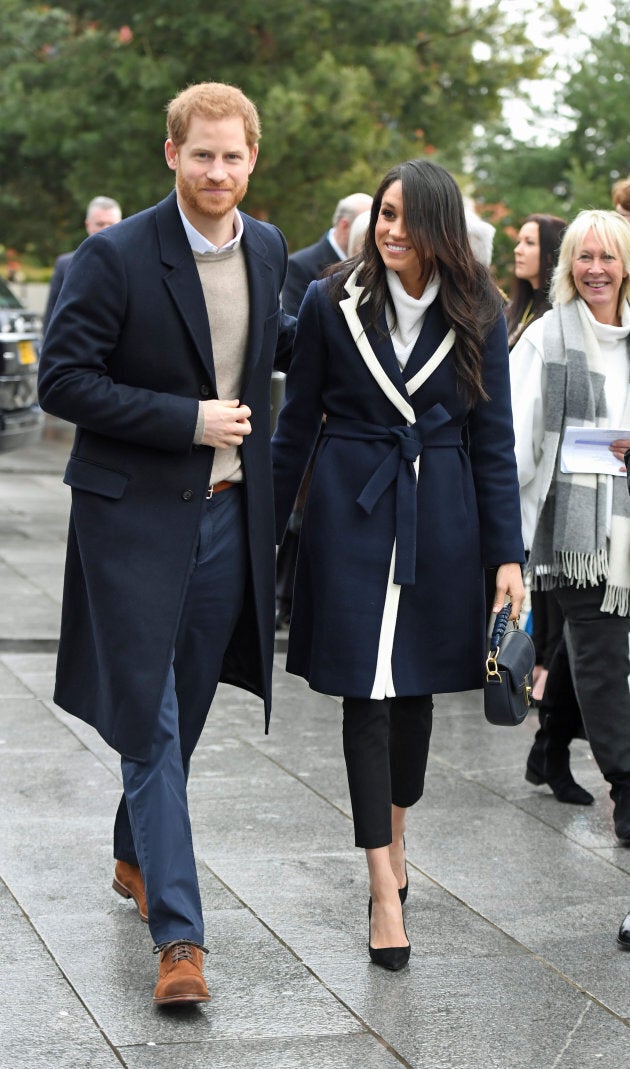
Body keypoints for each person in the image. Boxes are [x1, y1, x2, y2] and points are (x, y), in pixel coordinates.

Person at [37, 81, 294, 1007]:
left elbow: (281, 344)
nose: (216, 171)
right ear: (171, 154)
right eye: (201, 155)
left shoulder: (266, 249)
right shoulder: (111, 257)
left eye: (232, 156)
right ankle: (179, 938)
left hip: (229, 517)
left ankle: (129, 852)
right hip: (131, 521)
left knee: (180, 706)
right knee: (149, 723)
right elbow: (61, 381)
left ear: (251, 159)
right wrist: (184, 419)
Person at [272, 158, 525, 971]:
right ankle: (383, 888)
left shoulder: (480, 309)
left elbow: (495, 444)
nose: (389, 230)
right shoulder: (327, 301)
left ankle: (397, 832)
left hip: (440, 519)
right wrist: (264, 526)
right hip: (351, 514)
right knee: (365, 696)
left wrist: (506, 557)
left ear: (439, 228)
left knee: (411, 699)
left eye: (406, 218)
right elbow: (294, 424)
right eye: (383, 214)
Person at [510, 209, 630, 840]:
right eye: (583, 257)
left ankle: (549, 748)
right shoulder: (545, 340)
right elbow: (517, 446)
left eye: (608, 256)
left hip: (627, 530)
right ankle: (628, 787)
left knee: (588, 658)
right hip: (576, 538)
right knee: (601, 658)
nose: (595, 269)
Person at [275, 191, 374, 629]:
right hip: (320, 416)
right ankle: (287, 596)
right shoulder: (307, 272)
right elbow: (295, 341)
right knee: (302, 516)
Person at [281, 192, 374, 317]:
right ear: (344, 225)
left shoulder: (374, 265)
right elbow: (296, 325)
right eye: (365, 225)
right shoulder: (299, 266)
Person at [43, 196, 122, 333]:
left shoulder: (134, 262)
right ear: (88, 225)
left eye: (111, 224)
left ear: (122, 224)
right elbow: (52, 315)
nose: (106, 229)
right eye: (100, 224)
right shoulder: (65, 265)